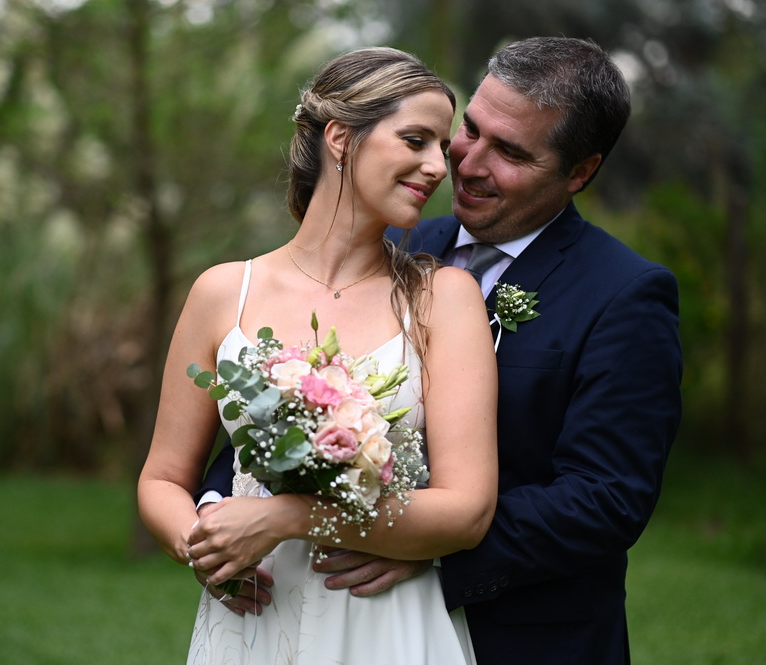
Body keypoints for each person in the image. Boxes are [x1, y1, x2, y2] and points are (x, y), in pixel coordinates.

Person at [198, 36, 684, 665]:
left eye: (509, 152)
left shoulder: (624, 294)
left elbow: (606, 497)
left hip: (523, 635)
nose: (467, 162)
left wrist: (418, 544)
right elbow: (290, 393)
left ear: (580, 172)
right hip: (332, 622)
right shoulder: (395, 238)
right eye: (472, 129)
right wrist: (220, 516)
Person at [138, 47, 499, 665]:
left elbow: (467, 512)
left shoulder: (445, 299)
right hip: (252, 618)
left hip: (383, 621)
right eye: (416, 140)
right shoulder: (224, 292)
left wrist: (286, 517)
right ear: (340, 138)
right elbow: (162, 480)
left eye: (442, 146)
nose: (438, 165)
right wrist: (205, 548)